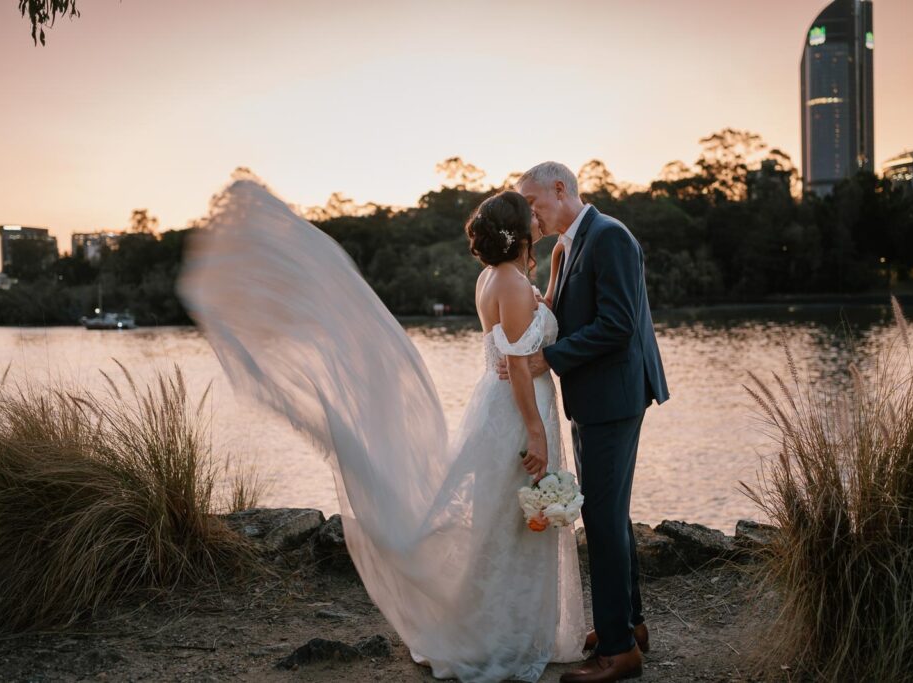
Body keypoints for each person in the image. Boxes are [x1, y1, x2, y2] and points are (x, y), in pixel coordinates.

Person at [179, 180, 584, 683]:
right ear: (520, 232)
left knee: (497, 524)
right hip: (518, 413)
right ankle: (504, 637)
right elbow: (520, 367)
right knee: (515, 526)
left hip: (494, 408)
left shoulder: (493, 281)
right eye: (532, 220)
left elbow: (527, 323)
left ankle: (495, 628)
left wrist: (556, 269)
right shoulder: (514, 286)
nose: (539, 224)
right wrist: (537, 435)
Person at [503, 161, 670, 683]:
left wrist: (547, 360)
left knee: (600, 518)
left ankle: (619, 655)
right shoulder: (568, 246)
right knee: (610, 515)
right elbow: (569, 314)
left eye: (534, 204)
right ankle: (629, 625)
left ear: (561, 189)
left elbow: (618, 326)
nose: (531, 216)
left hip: (615, 396)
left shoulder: (609, 237)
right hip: (592, 397)